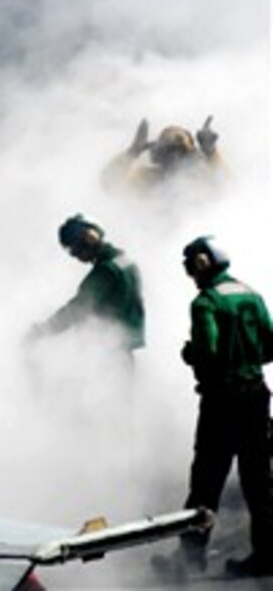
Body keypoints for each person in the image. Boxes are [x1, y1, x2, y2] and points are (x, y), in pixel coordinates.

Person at [153, 237, 273, 579]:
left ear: (202, 263)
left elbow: (209, 352)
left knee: (205, 484)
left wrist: (191, 354)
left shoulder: (205, 302)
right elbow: (270, 346)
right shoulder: (251, 293)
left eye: (191, 264)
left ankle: (189, 562)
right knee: (259, 483)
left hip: (223, 402)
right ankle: (267, 555)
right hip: (256, 397)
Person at [29, 214, 145, 356]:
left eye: (75, 249)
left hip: (107, 351)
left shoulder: (105, 271)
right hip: (123, 345)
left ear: (89, 240)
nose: (75, 255)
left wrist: (44, 330)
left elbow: (79, 308)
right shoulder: (125, 261)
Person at [101, 115, 225, 194]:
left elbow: (230, 189)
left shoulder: (203, 177)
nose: (175, 156)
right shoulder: (150, 179)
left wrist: (212, 152)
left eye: (180, 149)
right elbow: (109, 183)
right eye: (169, 148)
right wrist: (131, 153)